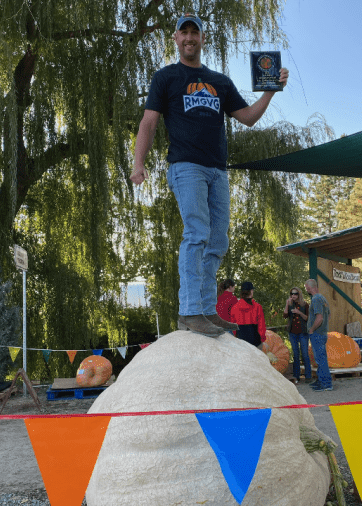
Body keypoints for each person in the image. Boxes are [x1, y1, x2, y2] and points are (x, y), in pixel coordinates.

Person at [130, 12, 289, 337]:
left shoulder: (220, 82)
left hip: (218, 170)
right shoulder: (166, 77)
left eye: (195, 33)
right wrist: (138, 162)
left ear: (203, 39)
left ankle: (205, 310)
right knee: (197, 233)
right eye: (183, 33)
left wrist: (271, 90)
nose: (189, 38)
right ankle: (189, 311)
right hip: (186, 167)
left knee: (217, 240)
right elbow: (149, 122)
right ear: (176, 39)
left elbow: (247, 118)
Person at [304, 279, 332, 391]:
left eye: (306, 287)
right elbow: (328, 316)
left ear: (309, 287)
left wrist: (312, 329)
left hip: (317, 333)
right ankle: (321, 380)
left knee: (320, 359)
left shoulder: (315, 299)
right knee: (321, 357)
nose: (306, 289)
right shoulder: (323, 298)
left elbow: (319, 317)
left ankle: (326, 384)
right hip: (323, 332)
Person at [283, 286, 310, 383]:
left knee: (305, 354)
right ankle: (296, 376)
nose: (293, 295)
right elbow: (285, 315)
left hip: (303, 332)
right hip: (292, 332)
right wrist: (287, 304)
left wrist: (299, 312)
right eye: (292, 294)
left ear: (299, 294)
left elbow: (307, 318)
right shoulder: (290, 304)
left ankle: (308, 376)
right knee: (295, 354)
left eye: (295, 293)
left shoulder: (305, 304)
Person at [230, 281, 268, 349]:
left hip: (241, 342)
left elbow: (233, 327)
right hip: (256, 342)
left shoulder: (234, 308)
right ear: (251, 291)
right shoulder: (257, 307)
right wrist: (262, 339)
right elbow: (261, 326)